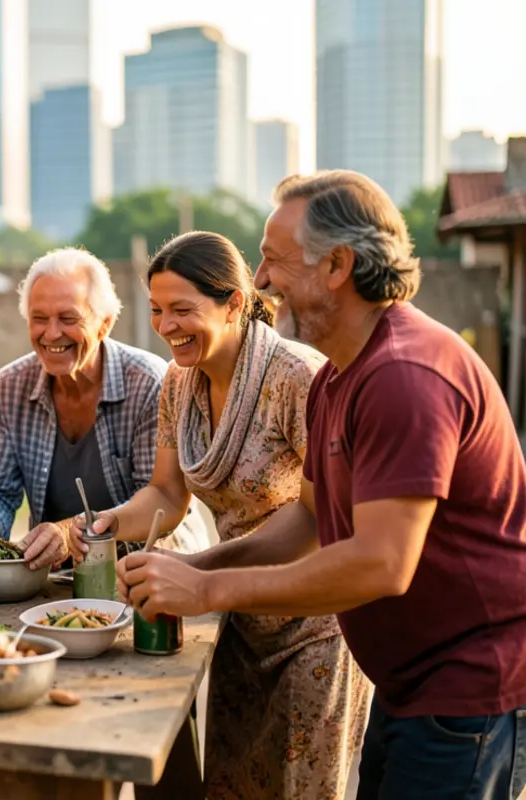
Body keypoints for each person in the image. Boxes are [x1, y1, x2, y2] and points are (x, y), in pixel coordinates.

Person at [115, 170, 526, 799]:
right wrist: (196, 569)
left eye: (273, 260)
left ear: (337, 265)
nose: (258, 281)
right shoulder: (340, 376)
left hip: (464, 694)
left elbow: (381, 565)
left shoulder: (403, 376)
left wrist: (208, 587)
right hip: (406, 684)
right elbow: (308, 521)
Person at [81, 232, 370, 799]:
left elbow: (319, 520)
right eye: (158, 310)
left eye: (184, 310)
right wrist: (111, 522)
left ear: (235, 302)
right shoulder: (178, 383)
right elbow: (166, 494)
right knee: (230, 787)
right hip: (236, 615)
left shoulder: (297, 376)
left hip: (313, 626)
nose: (167, 326)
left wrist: (200, 570)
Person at [0, 248, 209, 566]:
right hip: (59, 573)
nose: (51, 333)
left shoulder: (148, 382)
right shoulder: (8, 387)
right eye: (39, 319)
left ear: (104, 324)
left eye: (68, 319)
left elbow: (157, 503)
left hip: (156, 563)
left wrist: (73, 532)